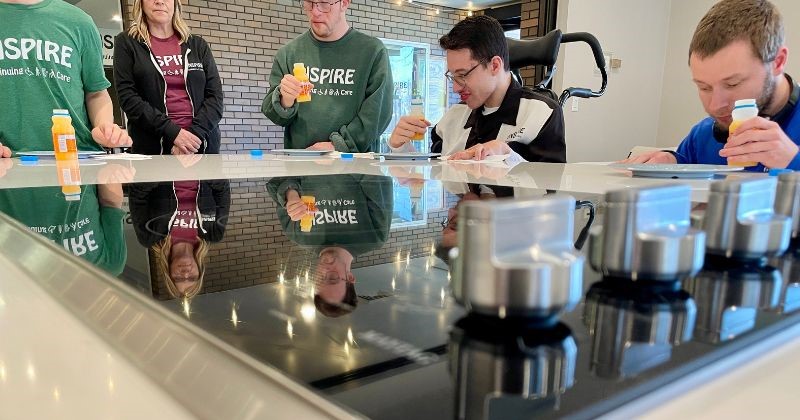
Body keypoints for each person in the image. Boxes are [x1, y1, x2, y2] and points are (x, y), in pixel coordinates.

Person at [623, 0, 800, 171]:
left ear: (778, 61)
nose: (715, 106)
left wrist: (794, 163)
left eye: (732, 84)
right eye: (704, 87)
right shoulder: (702, 136)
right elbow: (686, 174)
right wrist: (672, 161)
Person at [388, 15, 565, 163]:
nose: (456, 88)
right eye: (453, 76)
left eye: (463, 75)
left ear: (495, 65)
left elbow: (552, 189)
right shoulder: (452, 119)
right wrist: (401, 147)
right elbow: (434, 178)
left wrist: (509, 157)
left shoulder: (541, 114)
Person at [0, 0, 130, 158]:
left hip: (76, 162)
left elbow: (96, 93)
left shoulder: (79, 22)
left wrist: (104, 126)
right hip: (8, 168)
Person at [262, 0, 393, 153]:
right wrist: (285, 99)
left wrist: (339, 145)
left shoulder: (372, 52)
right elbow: (274, 115)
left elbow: (377, 114)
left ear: (344, 3)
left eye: (324, 4)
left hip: (355, 169)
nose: (315, 12)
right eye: (309, 3)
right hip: (301, 168)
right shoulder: (288, 53)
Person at [267, 174, 393, 317]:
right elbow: (378, 178)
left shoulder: (299, 236)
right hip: (354, 152)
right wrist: (337, 155)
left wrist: (291, 195)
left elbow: (275, 183)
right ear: (350, 277)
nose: (324, 270)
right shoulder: (374, 237)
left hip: (302, 152)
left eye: (320, 279)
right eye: (332, 278)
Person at [114, 0, 224, 155]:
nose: (159, 1)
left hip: (201, 144)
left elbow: (216, 97)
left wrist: (193, 135)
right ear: (141, 3)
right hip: (152, 148)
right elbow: (128, 98)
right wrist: (174, 133)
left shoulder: (198, 45)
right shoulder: (127, 43)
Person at [128, 179, 230, 299]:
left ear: (169, 273)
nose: (186, 273)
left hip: (162, 164)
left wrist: (167, 171)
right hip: (199, 163)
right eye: (192, 277)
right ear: (199, 271)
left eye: (178, 278)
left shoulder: (149, 237)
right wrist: (200, 169)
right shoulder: (213, 233)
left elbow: (136, 194)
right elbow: (222, 190)